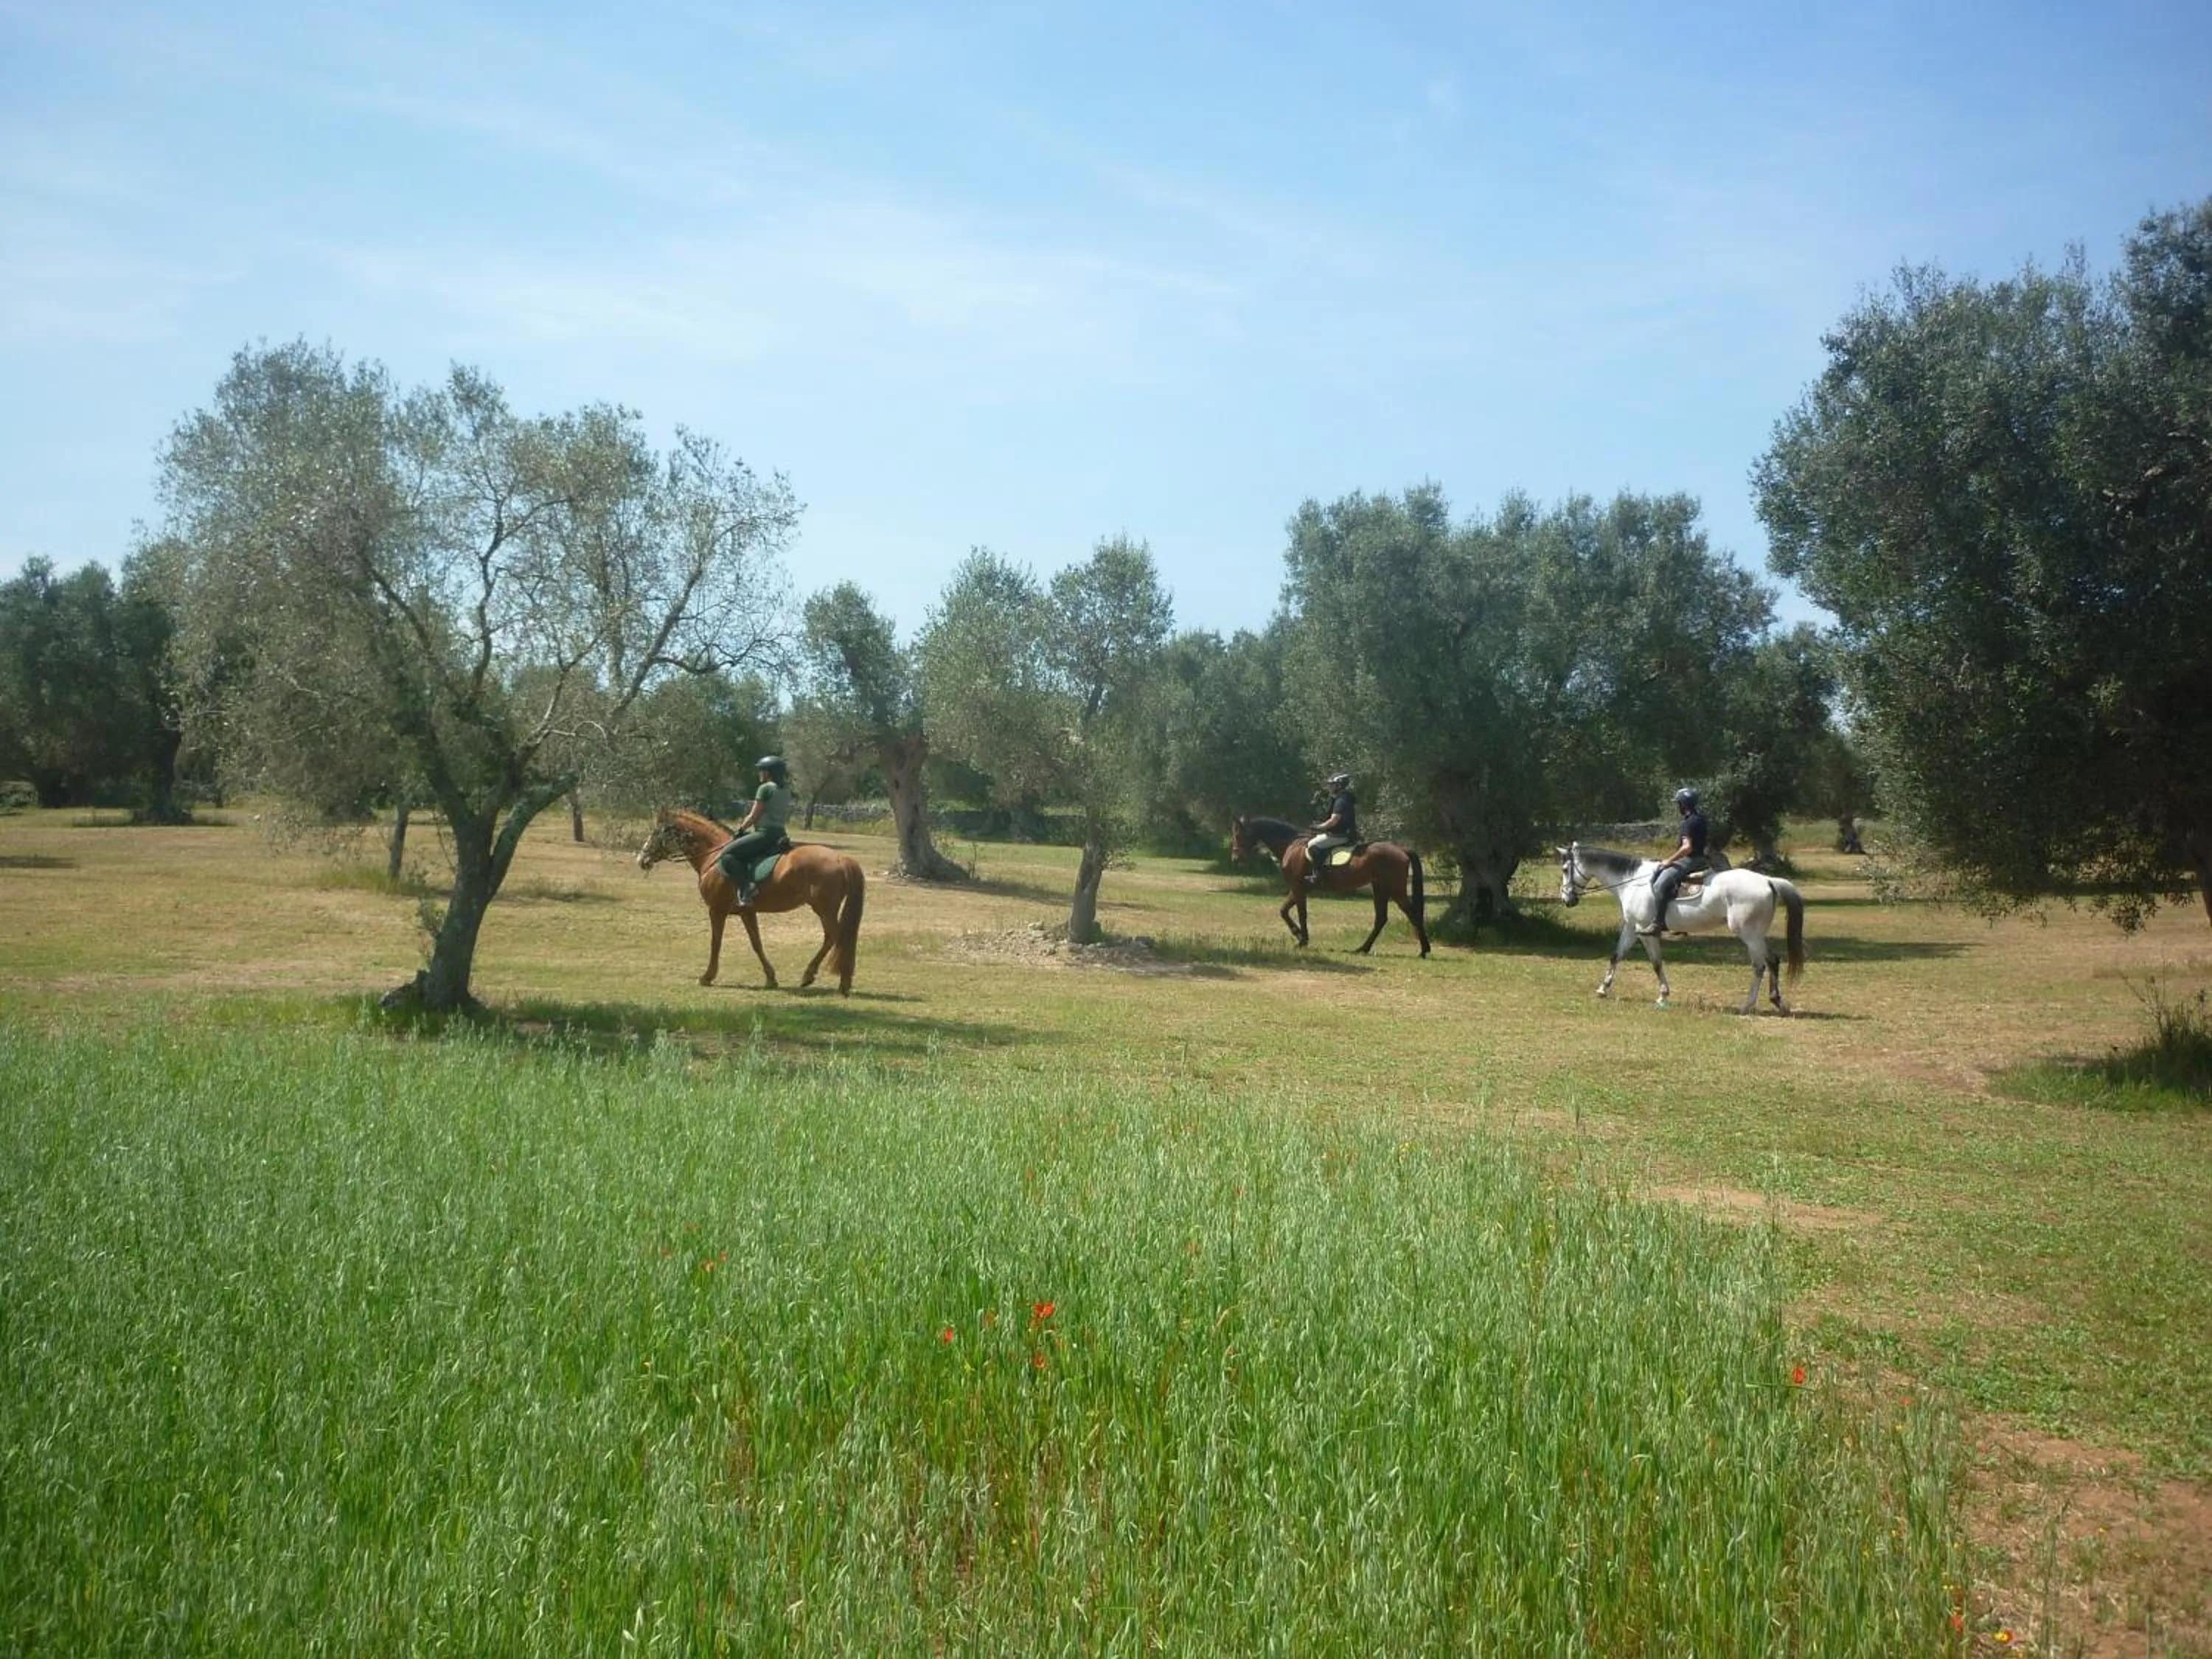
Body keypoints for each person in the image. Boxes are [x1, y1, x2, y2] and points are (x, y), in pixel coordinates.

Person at [719, 755, 795, 907]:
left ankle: (746, 888)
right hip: (781, 834)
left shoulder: (765, 788)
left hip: (765, 834)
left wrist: (741, 829)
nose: (759, 774)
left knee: (727, 855)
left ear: (769, 772)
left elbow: (754, 816)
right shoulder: (786, 790)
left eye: (761, 770)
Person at [1638, 787, 1710, 935]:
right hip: (1701, 858)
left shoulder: (1689, 823)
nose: (1678, 807)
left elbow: (1687, 848)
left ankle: (1657, 924)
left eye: (1679, 804)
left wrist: (1669, 861)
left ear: (1683, 805)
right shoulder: (1700, 819)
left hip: (1691, 859)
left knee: (1659, 885)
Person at [1303, 771, 1359, 886]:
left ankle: (1317, 876)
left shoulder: (1341, 800)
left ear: (1339, 785)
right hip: (1345, 833)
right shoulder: (1345, 798)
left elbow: (1334, 820)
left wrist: (1319, 827)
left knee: (1312, 845)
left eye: (1332, 785)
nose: (1330, 787)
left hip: (1339, 835)